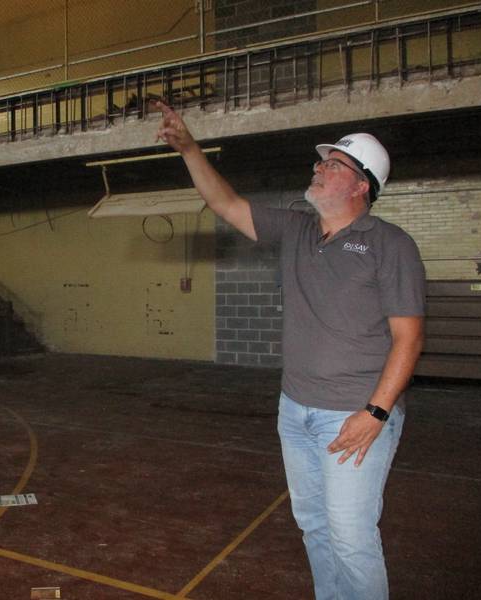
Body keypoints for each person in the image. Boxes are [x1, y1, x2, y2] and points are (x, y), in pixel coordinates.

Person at [154, 100, 425, 600]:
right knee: (315, 527)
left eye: (333, 164)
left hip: (352, 415)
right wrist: (190, 150)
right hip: (295, 410)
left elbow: (409, 338)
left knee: (351, 536)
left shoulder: (391, 245)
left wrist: (376, 411)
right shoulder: (298, 229)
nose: (318, 168)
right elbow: (226, 205)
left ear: (362, 185)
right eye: (320, 162)